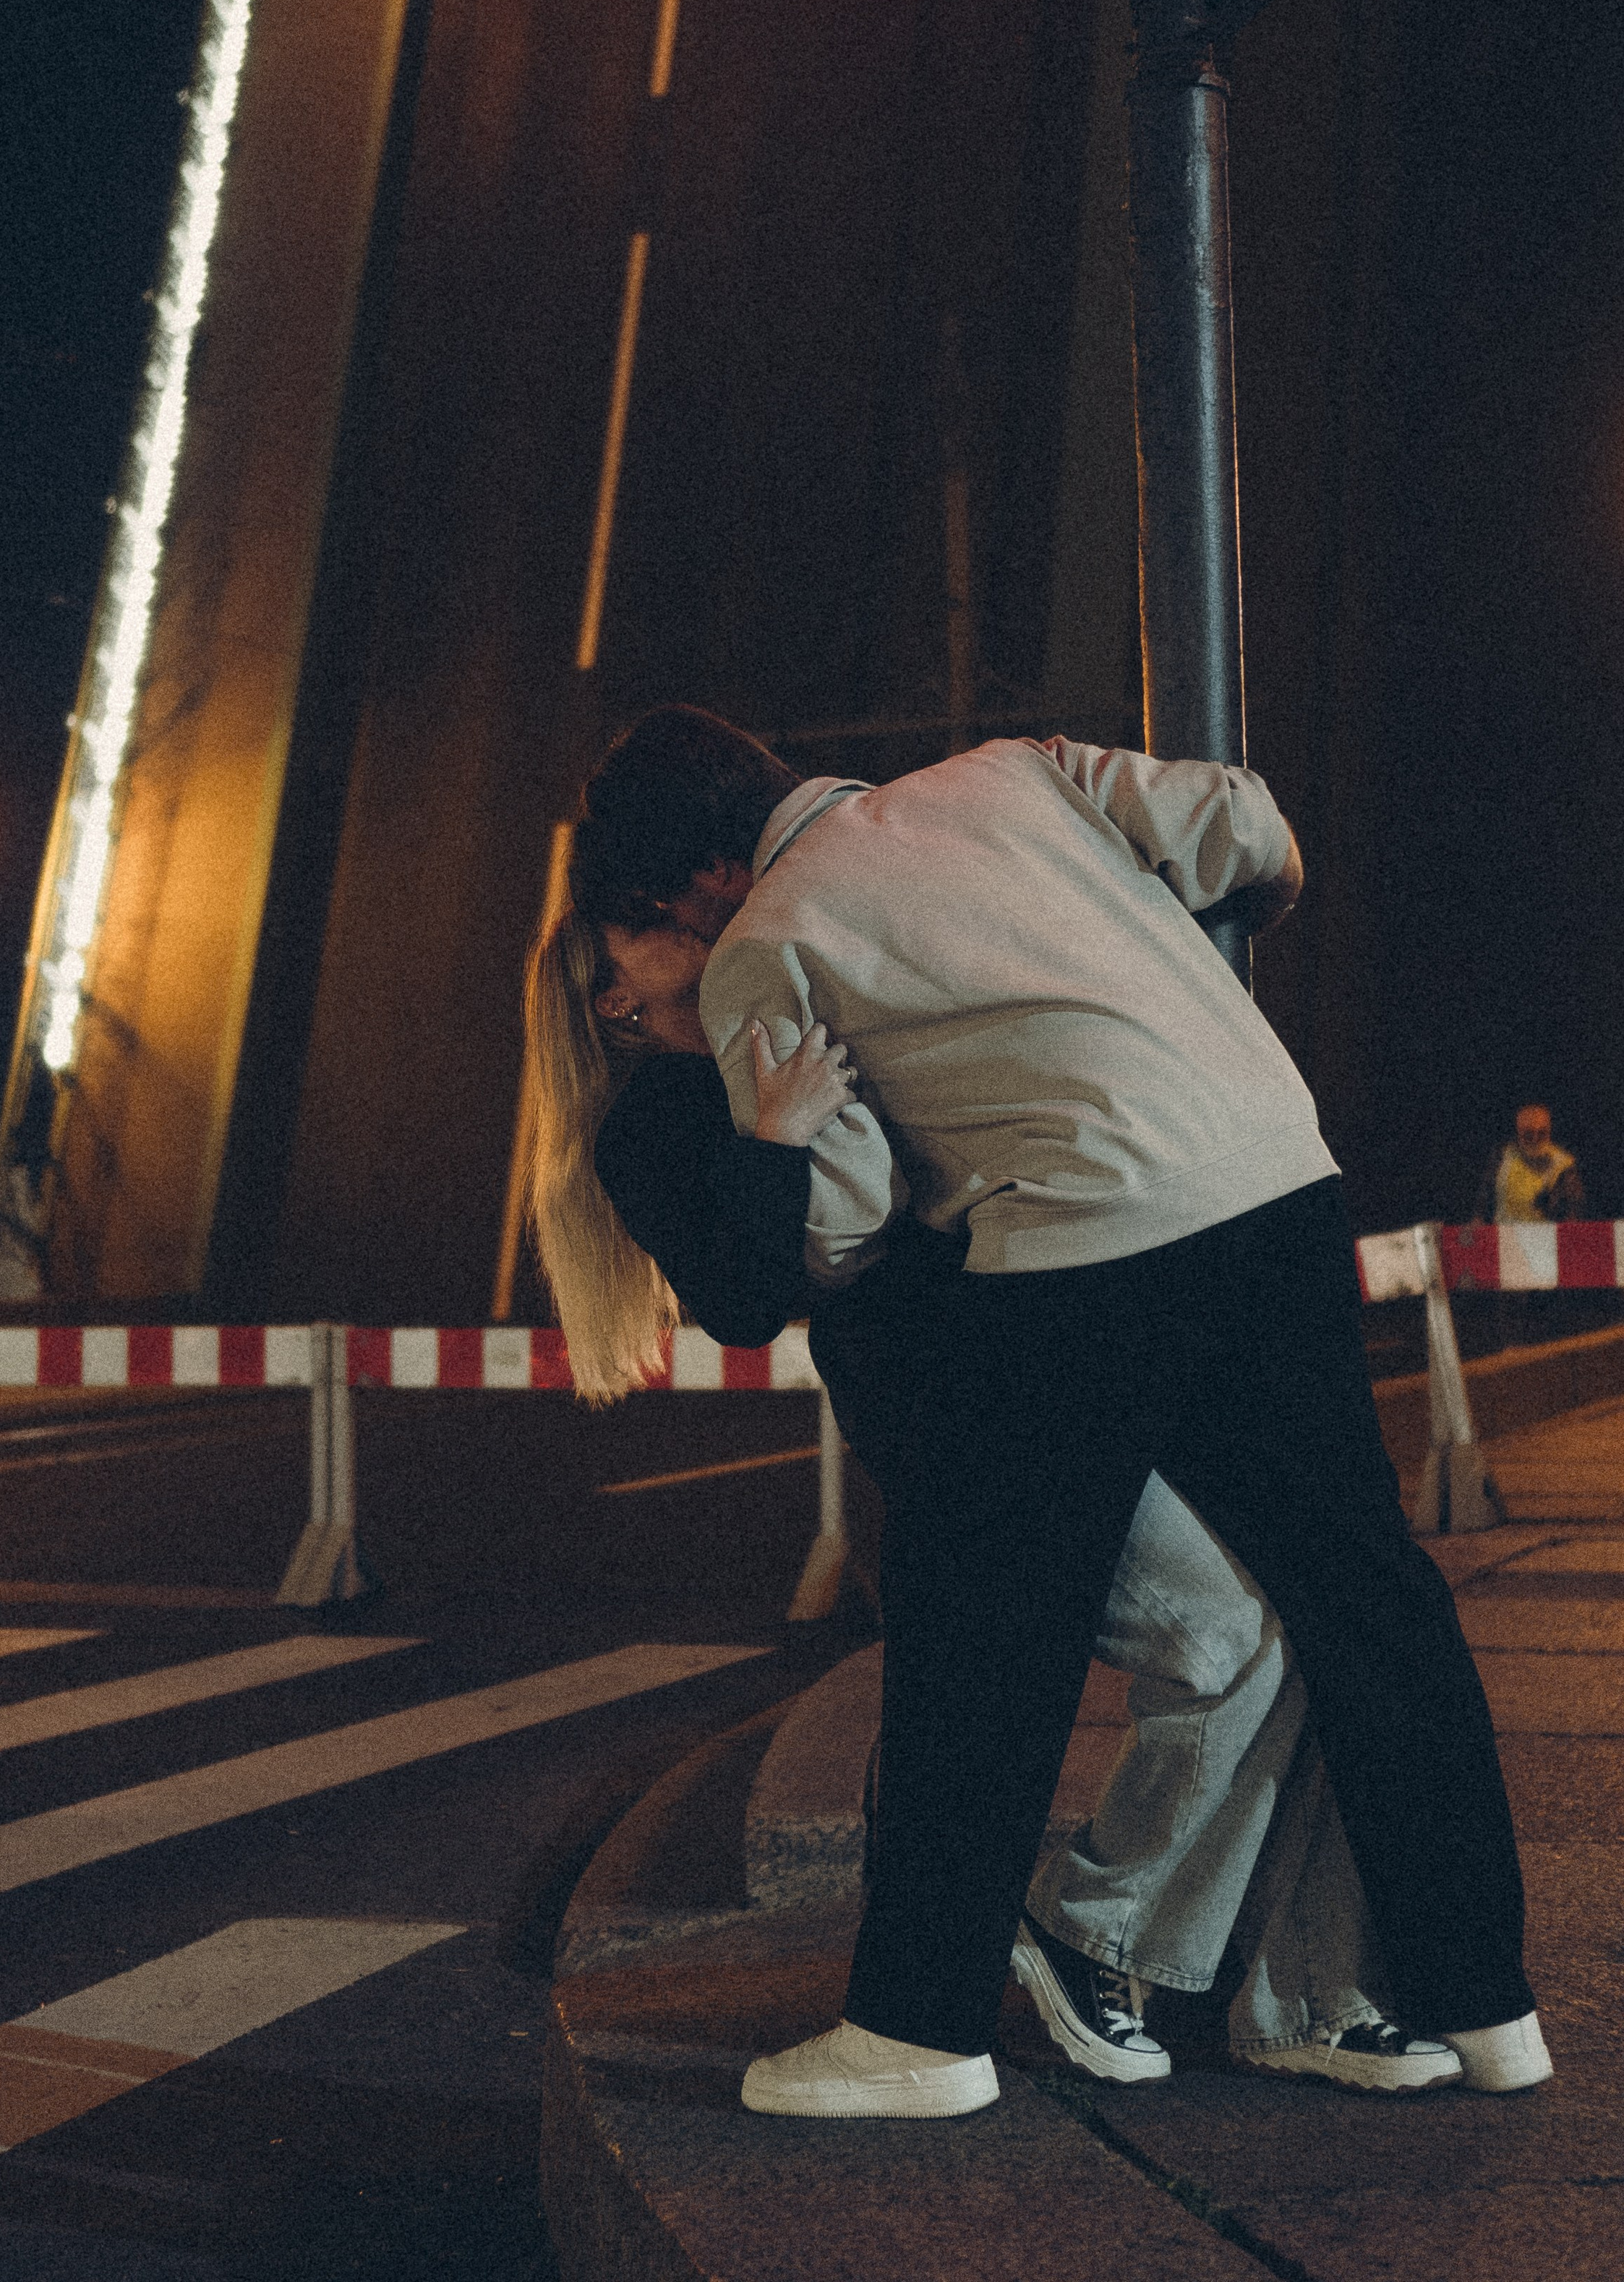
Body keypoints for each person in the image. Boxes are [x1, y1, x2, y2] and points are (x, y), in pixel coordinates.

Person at [568, 707, 1550, 2114]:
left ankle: (922, 2030)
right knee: (1366, 1592)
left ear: (701, 878)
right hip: (1276, 1172)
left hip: (1083, 1243)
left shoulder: (764, 944)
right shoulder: (1019, 771)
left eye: (651, 917)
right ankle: (1488, 2009)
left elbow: (840, 1228)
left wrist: (867, 1144)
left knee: (983, 1639)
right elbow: (1247, 828)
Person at [1475, 1104, 1586, 1223]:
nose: (1535, 1139)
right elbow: (1484, 1200)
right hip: (1507, 1232)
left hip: (1546, 1233)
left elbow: (1574, 1212)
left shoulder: (1564, 1164)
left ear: (1549, 1131)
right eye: (1529, 1134)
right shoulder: (1501, 1158)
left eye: (1542, 1133)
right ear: (1518, 1132)